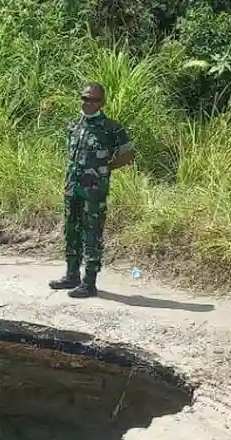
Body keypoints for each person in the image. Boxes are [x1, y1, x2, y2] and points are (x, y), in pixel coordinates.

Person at [50, 82, 136, 298]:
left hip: (94, 192)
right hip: (72, 188)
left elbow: (128, 154)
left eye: (94, 100)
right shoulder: (74, 126)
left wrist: (106, 168)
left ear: (102, 102)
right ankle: (71, 276)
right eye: (85, 98)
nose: (89, 103)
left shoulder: (111, 128)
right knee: (71, 231)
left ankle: (89, 283)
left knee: (92, 235)